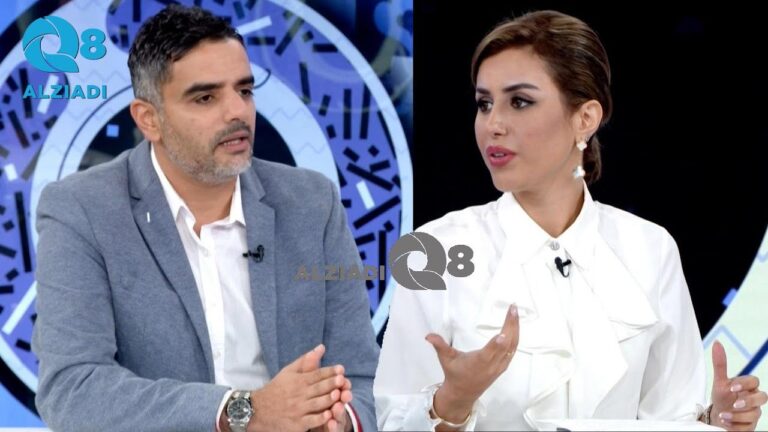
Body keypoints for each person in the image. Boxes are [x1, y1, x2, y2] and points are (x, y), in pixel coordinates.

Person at [374, 10, 767, 431]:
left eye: (519, 102)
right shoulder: (434, 250)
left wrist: (715, 421)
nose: (493, 125)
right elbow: (393, 422)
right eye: (484, 104)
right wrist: (453, 401)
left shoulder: (650, 249)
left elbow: (670, 419)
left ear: (585, 118)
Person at [32, 5, 379, 432]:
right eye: (205, 97)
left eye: (245, 91)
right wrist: (244, 411)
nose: (237, 111)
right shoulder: (82, 210)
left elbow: (362, 376)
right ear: (149, 119)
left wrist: (338, 420)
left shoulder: (312, 202)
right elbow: (73, 388)